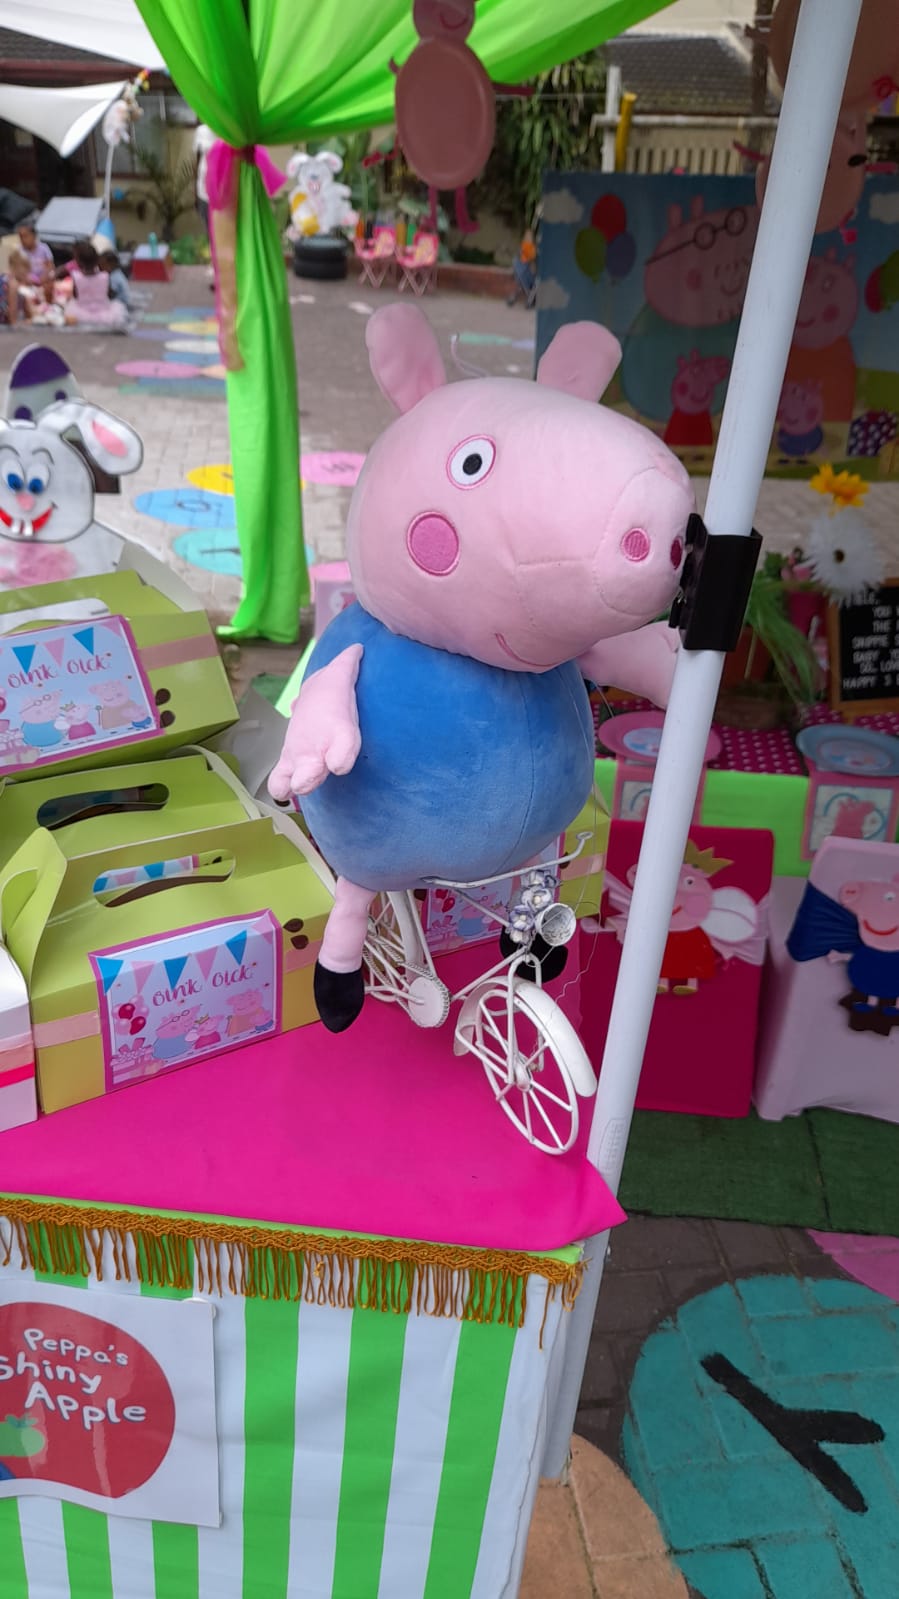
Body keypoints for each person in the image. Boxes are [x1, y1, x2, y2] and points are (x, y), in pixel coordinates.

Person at [64, 241, 128, 329]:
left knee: (70, 305)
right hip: (104, 311)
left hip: (82, 311)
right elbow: (109, 295)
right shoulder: (105, 276)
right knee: (116, 305)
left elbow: (76, 296)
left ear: (78, 261)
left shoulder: (76, 277)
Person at [507, 227, 537, 309]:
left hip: (526, 273)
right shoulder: (525, 247)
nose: (528, 237)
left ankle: (516, 299)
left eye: (529, 236)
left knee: (525, 286)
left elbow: (531, 260)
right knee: (529, 285)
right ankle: (528, 301)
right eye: (527, 235)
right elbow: (525, 259)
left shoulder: (529, 247)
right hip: (524, 273)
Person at [16, 221, 54, 286]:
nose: (23, 240)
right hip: (27, 283)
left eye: (25, 236)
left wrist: (44, 276)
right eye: (21, 237)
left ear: (34, 236)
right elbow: (18, 270)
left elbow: (51, 266)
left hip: (44, 281)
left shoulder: (44, 248)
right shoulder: (19, 251)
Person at [98, 250, 134, 314]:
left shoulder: (114, 277)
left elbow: (111, 294)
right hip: (122, 302)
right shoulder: (117, 272)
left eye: (103, 265)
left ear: (111, 265)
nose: (101, 268)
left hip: (122, 304)